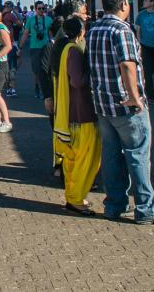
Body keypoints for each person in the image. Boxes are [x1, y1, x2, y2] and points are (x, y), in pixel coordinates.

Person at [87, 0, 154, 225]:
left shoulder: (94, 29)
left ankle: (115, 204)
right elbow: (127, 65)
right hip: (125, 104)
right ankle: (147, 208)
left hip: (103, 103)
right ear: (124, 4)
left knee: (111, 155)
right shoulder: (121, 29)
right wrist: (134, 97)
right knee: (138, 154)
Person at [52, 16, 100, 215]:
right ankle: (76, 198)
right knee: (84, 159)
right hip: (81, 112)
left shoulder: (65, 49)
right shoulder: (74, 51)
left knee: (74, 159)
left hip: (71, 112)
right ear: (81, 32)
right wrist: (95, 72)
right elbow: (78, 81)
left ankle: (74, 196)